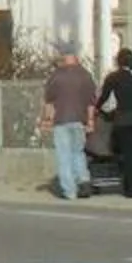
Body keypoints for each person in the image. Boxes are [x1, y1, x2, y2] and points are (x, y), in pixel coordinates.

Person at [39, 47, 96, 200]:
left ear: (63, 59)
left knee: (64, 155)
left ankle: (69, 191)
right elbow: (91, 102)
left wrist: (47, 120)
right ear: (76, 58)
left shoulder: (56, 76)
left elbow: (49, 101)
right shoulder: (85, 75)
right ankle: (83, 180)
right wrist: (90, 121)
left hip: (61, 120)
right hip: (80, 120)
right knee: (78, 152)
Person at [97, 47, 132, 200]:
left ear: (118, 62)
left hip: (125, 120)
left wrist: (97, 110)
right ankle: (131, 185)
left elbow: (104, 98)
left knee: (128, 154)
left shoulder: (113, 78)